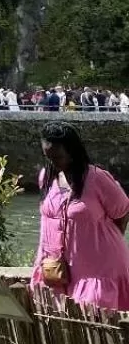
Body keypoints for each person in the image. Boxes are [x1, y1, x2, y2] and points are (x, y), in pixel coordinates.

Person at [32, 123, 129, 312]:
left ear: (73, 152)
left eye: (58, 157)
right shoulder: (46, 177)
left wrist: (101, 240)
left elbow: (123, 212)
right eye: (48, 157)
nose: (53, 162)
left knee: (97, 319)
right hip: (56, 266)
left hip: (98, 268)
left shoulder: (97, 178)